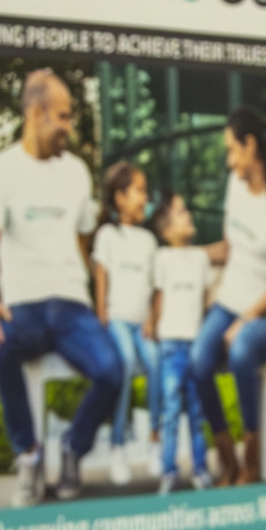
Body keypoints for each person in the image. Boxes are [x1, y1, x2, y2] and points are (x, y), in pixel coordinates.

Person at [0, 69, 119, 505]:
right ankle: (29, 455)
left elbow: (83, 236)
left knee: (112, 372)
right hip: (25, 305)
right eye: (63, 116)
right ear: (36, 114)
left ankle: (74, 447)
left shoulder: (76, 172)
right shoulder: (0, 170)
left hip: (72, 305)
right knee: (0, 344)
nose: (68, 127)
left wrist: (89, 287)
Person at [192, 107, 266, 486]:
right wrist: (187, 256)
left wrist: (245, 320)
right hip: (227, 302)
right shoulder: (234, 188)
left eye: (232, 150)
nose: (228, 160)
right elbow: (228, 249)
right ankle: (227, 457)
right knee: (198, 362)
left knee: (240, 352)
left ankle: (251, 454)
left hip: (264, 317)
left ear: (250, 146)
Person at [92, 161, 161, 485]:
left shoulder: (148, 240)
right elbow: (101, 276)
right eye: (139, 191)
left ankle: (155, 441)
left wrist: (152, 320)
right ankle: (117, 445)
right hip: (118, 322)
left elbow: (155, 288)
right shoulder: (107, 235)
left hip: (141, 324)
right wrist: (102, 316)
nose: (145, 198)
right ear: (120, 198)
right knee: (127, 362)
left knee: (155, 361)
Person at [151, 192, 215, 492]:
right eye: (180, 213)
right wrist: (153, 325)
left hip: (196, 344)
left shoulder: (201, 258)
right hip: (171, 345)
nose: (188, 214)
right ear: (167, 231)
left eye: (186, 210)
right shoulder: (162, 258)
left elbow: (205, 298)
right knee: (172, 411)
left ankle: (200, 469)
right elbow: (159, 296)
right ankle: (169, 471)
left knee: (197, 411)